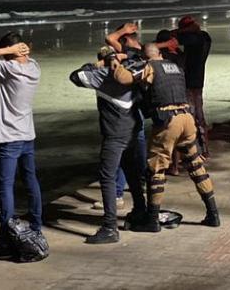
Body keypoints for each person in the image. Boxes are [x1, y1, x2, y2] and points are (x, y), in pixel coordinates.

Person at [112, 44, 220, 232]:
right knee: (196, 166)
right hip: (187, 118)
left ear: (146, 58)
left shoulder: (149, 67)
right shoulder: (175, 67)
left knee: (156, 170)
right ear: (160, 54)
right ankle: (213, 214)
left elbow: (122, 78)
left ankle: (152, 220)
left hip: (168, 121)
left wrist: (114, 61)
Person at [0, 33, 43, 259]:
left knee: (5, 187)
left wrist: (7, 51)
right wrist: (16, 51)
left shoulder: (10, 69)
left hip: (10, 136)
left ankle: (5, 239)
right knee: (30, 180)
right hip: (27, 134)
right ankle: (36, 228)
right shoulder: (34, 67)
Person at [69, 46, 148, 244]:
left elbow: (76, 76)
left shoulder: (102, 75)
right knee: (132, 173)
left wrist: (99, 64)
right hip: (134, 129)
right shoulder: (134, 71)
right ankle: (141, 212)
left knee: (107, 177)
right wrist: (122, 59)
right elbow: (140, 60)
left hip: (115, 133)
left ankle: (110, 226)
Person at [174, 16, 212, 156]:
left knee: (191, 116)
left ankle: (194, 150)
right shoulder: (205, 37)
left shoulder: (193, 39)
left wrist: (179, 31)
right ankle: (204, 149)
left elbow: (175, 37)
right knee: (199, 117)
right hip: (198, 80)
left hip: (190, 81)